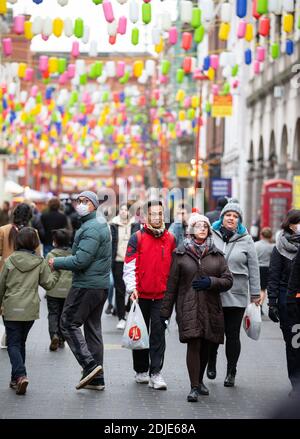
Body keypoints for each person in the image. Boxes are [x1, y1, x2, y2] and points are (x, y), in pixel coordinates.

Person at [160, 213, 233, 402]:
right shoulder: (180, 254)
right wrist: (165, 312)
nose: (202, 228)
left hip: (211, 307)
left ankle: (199, 381)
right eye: (198, 225)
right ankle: (193, 387)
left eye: (205, 226)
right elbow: (172, 285)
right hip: (188, 306)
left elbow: (228, 280)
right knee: (194, 343)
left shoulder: (217, 254)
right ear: (191, 229)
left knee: (208, 345)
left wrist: (211, 281)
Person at [48, 191, 111, 391]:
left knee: (67, 323)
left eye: (85, 202)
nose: (80, 205)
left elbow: (81, 260)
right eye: (79, 201)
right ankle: (96, 379)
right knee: (93, 329)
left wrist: (55, 262)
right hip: (98, 285)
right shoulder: (96, 224)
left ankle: (90, 365)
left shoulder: (92, 228)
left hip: (86, 285)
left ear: (93, 205)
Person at [123, 200, 176, 390]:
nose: (157, 217)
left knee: (158, 335)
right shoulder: (137, 237)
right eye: (153, 214)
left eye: (160, 214)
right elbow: (128, 264)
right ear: (146, 216)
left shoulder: (170, 239)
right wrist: (132, 288)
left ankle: (156, 373)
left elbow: (174, 268)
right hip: (141, 294)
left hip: (161, 296)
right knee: (140, 334)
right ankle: (141, 370)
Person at [207, 202, 261, 387]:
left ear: (239, 220)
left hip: (236, 293)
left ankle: (231, 370)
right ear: (222, 217)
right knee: (214, 332)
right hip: (214, 292)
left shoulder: (246, 239)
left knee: (232, 334)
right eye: (228, 215)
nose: (231, 218)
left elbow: (254, 268)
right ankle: (211, 362)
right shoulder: (211, 235)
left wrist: (255, 294)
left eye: (235, 216)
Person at [0, 227, 58, 395]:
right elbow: (49, 284)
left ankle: (20, 375)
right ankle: (15, 379)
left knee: (13, 343)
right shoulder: (39, 262)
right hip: (29, 309)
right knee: (20, 343)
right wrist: (56, 273)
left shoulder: (10, 261)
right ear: (34, 242)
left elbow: (1, 286)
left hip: (11, 308)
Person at [267, 209, 300, 394]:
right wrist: (272, 302)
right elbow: (274, 275)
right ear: (289, 224)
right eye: (297, 222)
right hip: (288, 302)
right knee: (294, 343)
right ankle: (296, 383)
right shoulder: (279, 247)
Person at [110, 203, 140, 330]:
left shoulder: (135, 225)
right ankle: (121, 317)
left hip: (133, 261)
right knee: (120, 290)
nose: (123, 212)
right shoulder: (113, 225)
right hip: (117, 261)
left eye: (126, 209)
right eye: (121, 210)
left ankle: (128, 308)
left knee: (133, 288)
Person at [45, 229, 72, 351]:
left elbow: (46, 272)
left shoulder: (51, 255)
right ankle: (61, 339)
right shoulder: (72, 255)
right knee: (64, 315)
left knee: (53, 313)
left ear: (55, 242)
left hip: (53, 290)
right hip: (68, 291)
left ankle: (54, 335)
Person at [286, 242, 300, 397]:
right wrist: (290, 301)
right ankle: (297, 385)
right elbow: (295, 273)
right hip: (297, 306)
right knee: (296, 347)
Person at [254, 227, 274, 314]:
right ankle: (260, 305)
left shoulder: (255, 245)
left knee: (255, 288)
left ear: (261, 235)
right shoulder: (272, 247)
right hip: (266, 269)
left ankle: (254, 305)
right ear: (270, 236)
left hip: (256, 268)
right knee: (262, 289)